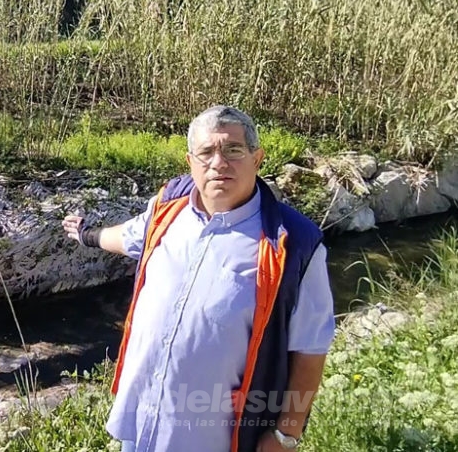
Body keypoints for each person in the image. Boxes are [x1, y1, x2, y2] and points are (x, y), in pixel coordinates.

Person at [61, 106, 335, 452]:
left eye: (233, 150)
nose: (218, 163)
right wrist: (88, 234)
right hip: (142, 423)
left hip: (211, 437)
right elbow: (129, 237)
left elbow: (310, 348)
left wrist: (286, 435)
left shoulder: (293, 243)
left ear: (257, 158)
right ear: (190, 161)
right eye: (206, 153)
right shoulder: (166, 210)